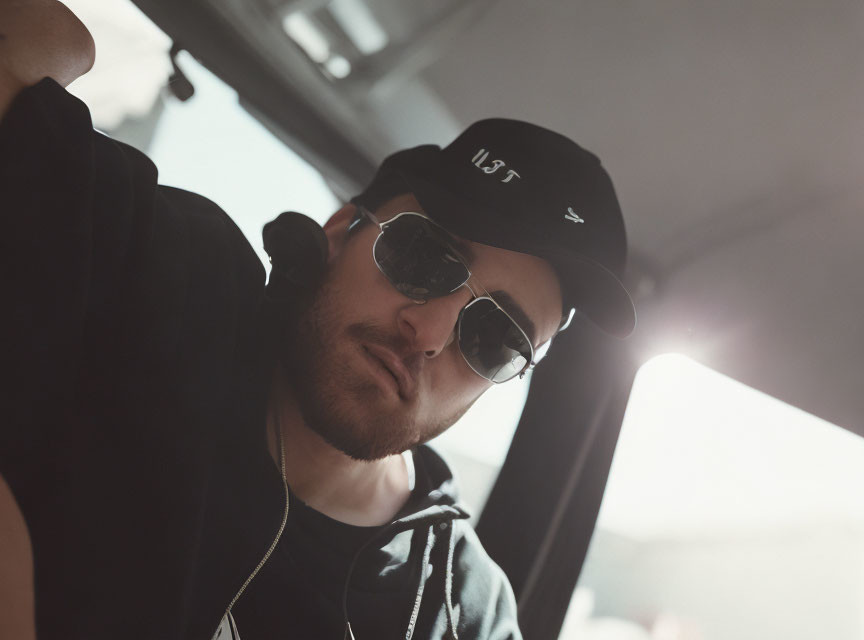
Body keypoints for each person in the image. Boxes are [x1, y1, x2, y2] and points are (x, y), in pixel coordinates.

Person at [0, 2, 635, 639]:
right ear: (340, 232)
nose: (433, 332)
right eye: (425, 256)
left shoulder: (467, 614)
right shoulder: (166, 274)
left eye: (497, 338)